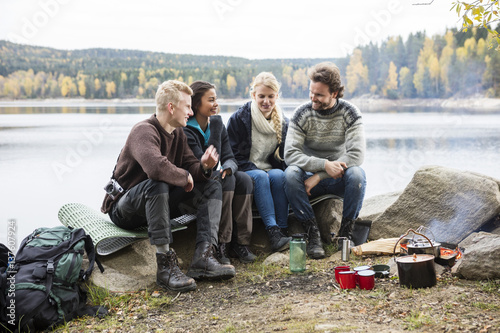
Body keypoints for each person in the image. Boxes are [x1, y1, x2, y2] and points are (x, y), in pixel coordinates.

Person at [100, 80, 235, 293]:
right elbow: (156, 168)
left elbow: (191, 165)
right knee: (158, 184)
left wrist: (205, 168)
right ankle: (165, 267)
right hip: (125, 209)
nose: (190, 112)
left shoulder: (177, 133)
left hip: (157, 205)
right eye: (187, 106)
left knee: (212, 184)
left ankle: (204, 258)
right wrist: (185, 177)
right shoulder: (143, 131)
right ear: (171, 107)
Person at [284, 62, 367, 259]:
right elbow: (291, 154)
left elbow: (356, 155)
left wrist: (320, 175)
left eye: (319, 95)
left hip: (336, 178)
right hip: (307, 181)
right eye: (311, 92)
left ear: (335, 93)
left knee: (357, 174)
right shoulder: (302, 113)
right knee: (290, 174)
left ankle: (345, 235)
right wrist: (323, 166)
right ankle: (313, 235)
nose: (313, 98)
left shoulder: (350, 112)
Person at [183, 80, 256, 264]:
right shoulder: (187, 130)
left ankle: (241, 243)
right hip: (197, 182)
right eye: (211, 100)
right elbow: (208, 163)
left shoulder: (217, 124)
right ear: (196, 103)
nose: (216, 104)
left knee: (243, 179)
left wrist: (229, 167)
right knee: (227, 180)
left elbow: (229, 157)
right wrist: (215, 127)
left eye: (216, 99)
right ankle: (222, 245)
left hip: (215, 176)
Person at [227, 72, 291, 252]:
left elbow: (286, 156)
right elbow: (232, 153)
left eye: (271, 96)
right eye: (261, 96)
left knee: (279, 175)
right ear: (253, 95)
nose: (266, 101)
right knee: (261, 177)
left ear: (277, 96)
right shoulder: (239, 119)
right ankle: (272, 231)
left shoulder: (284, 122)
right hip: (244, 168)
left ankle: (283, 229)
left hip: (269, 169)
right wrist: (254, 169)